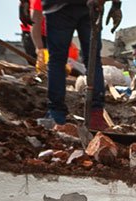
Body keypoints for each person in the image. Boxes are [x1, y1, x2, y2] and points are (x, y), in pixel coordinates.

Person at [40, 0, 116, 130]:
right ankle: (96, 114)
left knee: (57, 60)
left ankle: (56, 115)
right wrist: (116, 4)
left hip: (57, 7)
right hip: (89, 5)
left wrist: (24, 3)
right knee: (93, 60)